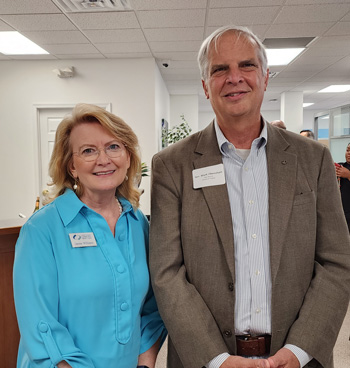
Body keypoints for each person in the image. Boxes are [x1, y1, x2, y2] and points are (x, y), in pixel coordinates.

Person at [149, 25, 350, 368]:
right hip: (206, 359)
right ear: (205, 86)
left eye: (246, 65)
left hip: (299, 357)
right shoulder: (172, 165)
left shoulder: (312, 158)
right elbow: (167, 272)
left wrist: (299, 350)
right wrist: (216, 358)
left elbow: (336, 260)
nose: (234, 77)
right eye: (219, 69)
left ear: (266, 77)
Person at [13, 103, 166, 368]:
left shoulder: (138, 222)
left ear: (128, 157)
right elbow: (41, 324)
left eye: (113, 147)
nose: (103, 159)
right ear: (71, 166)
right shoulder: (42, 230)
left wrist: (145, 360)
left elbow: (153, 307)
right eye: (88, 151)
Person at [335, 143, 350, 231]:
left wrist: (348, 175)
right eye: (347, 150)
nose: (349, 153)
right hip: (342, 213)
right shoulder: (341, 166)